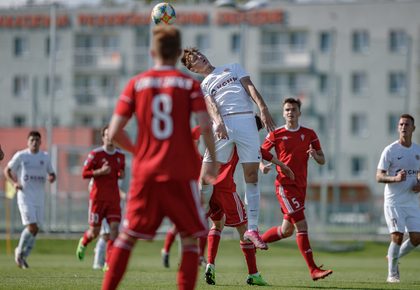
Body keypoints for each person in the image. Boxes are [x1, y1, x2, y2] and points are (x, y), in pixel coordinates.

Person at [102, 25, 217, 290]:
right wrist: (212, 162)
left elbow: (116, 131)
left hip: (146, 173)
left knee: (127, 237)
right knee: (190, 238)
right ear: (178, 53)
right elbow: (206, 126)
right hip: (180, 172)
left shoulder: (136, 83)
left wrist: (139, 153)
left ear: (152, 51)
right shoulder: (189, 85)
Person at [181, 48, 276, 250]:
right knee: (206, 177)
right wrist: (219, 122)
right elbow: (211, 105)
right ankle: (200, 213)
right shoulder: (204, 84)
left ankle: (252, 229)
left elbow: (250, 87)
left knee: (251, 176)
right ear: (192, 68)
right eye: (194, 59)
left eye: (199, 54)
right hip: (223, 127)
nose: (200, 57)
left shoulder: (232, 68)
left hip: (246, 122)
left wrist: (263, 108)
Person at [204, 115, 295, 286]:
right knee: (244, 230)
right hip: (225, 188)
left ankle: (210, 264)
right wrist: (282, 165)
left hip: (209, 185)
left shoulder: (225, 132)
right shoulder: (244, 139)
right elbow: (263, 152)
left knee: (217, 224)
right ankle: (253, 274)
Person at [260, 97, 333, 281]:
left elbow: (323, 160)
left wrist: (316, 155)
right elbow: (260, 153)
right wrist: (263, 166)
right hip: (285, 186)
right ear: (283, 113)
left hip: (301, 187)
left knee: (286, 231)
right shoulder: (275, 134)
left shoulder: (309, 134)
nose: (290, 112)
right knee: (301, 224)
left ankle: (254, 242)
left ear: (299, 113)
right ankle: (313, 269)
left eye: (293, 109)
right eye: (287, 110)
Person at [376, 113, 420, 283]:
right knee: (397, 236)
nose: (403, 127)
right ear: (397, 128)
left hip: (412, 202)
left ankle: (393, 256)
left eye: (407, 124)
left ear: (413, 128)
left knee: (417, 238)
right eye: (401, 124)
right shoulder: (390, 150)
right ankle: (392, 274)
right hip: (394, 202)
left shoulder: (417, 150)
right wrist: (394, 179)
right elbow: (379, 176)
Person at [76, 125, 126, 272]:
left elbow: (119, 173)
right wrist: (100, 171)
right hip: (97, 199)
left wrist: (120, 175)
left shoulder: (120, 156)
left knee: (114, 230)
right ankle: (84, 241)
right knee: (95, 232)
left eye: (112, 135)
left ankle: (108, 263)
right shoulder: (95, 154)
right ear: (103, 137)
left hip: (113, 199)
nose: (109, 138)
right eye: (106, 135)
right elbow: (84, 174)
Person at [3, 130, 56, 269]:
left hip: (39, 198)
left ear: (40, 142)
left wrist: (52, 177)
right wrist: (14, 183)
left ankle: (23, 256)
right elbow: (6, 170)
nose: (34, 142)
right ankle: (19, 252)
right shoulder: (21, 156)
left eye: (37, 140)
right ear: (27, 142)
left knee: (36, 229)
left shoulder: (45, 157)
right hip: (25, 196)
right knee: (31, 226)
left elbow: (52, 173)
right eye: (32, 140)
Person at [161, 126, 208, 268]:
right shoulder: (181, 158)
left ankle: (199, 256)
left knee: (203, 225)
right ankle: (166, 250)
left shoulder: (201, 159)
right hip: (184, 195)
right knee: (179, 226)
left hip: (198, 195)